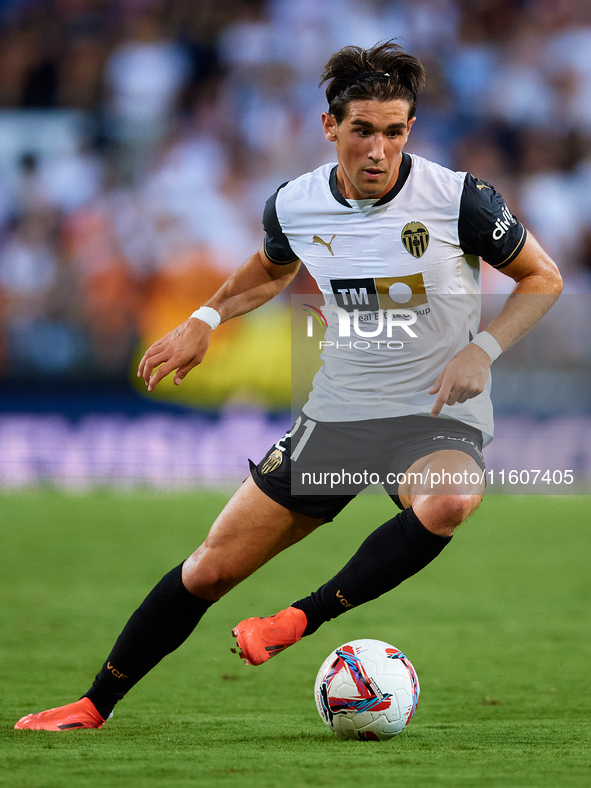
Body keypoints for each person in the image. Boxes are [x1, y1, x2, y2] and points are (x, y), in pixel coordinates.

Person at [15, 41, 562, 731]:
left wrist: (482, 349)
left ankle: (296, 621)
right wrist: (204, 318)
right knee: (209, 570)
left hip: (432, 413)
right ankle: (93, 704)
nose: (377, 149)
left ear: (409, 132)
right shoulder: (297, 203)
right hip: (338, 416)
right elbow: (271, 267)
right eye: (362, 130)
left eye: (394, 132)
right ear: (329, 126)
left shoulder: (459, 200)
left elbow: (542, 278)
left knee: (451, 496)